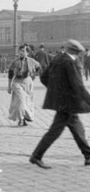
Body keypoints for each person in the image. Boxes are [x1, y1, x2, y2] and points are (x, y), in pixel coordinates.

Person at [29, 39, 90, 169]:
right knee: (55, 131)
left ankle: (88, 155)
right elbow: (78, 85)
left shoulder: (57, 59)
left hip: (64, 103)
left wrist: (56, 91)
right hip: (68, 104)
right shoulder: (70, 62)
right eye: (80, 53)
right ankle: (37, 155)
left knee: (78, 128)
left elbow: (43, 77)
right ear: (76, 52)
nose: (80, 56)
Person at [8, 45, 40, 126]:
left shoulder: (32, 61)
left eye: (23, 51)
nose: (21, 53)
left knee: (26, 101)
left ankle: (24, 118)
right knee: (21, 99)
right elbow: (10, 74)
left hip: (27, 82)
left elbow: (38, 67)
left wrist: (33, 74)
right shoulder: (15, 62)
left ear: (27, 52)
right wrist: (9, 86)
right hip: (17, 82)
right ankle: (22, 118)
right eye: (20, 51)